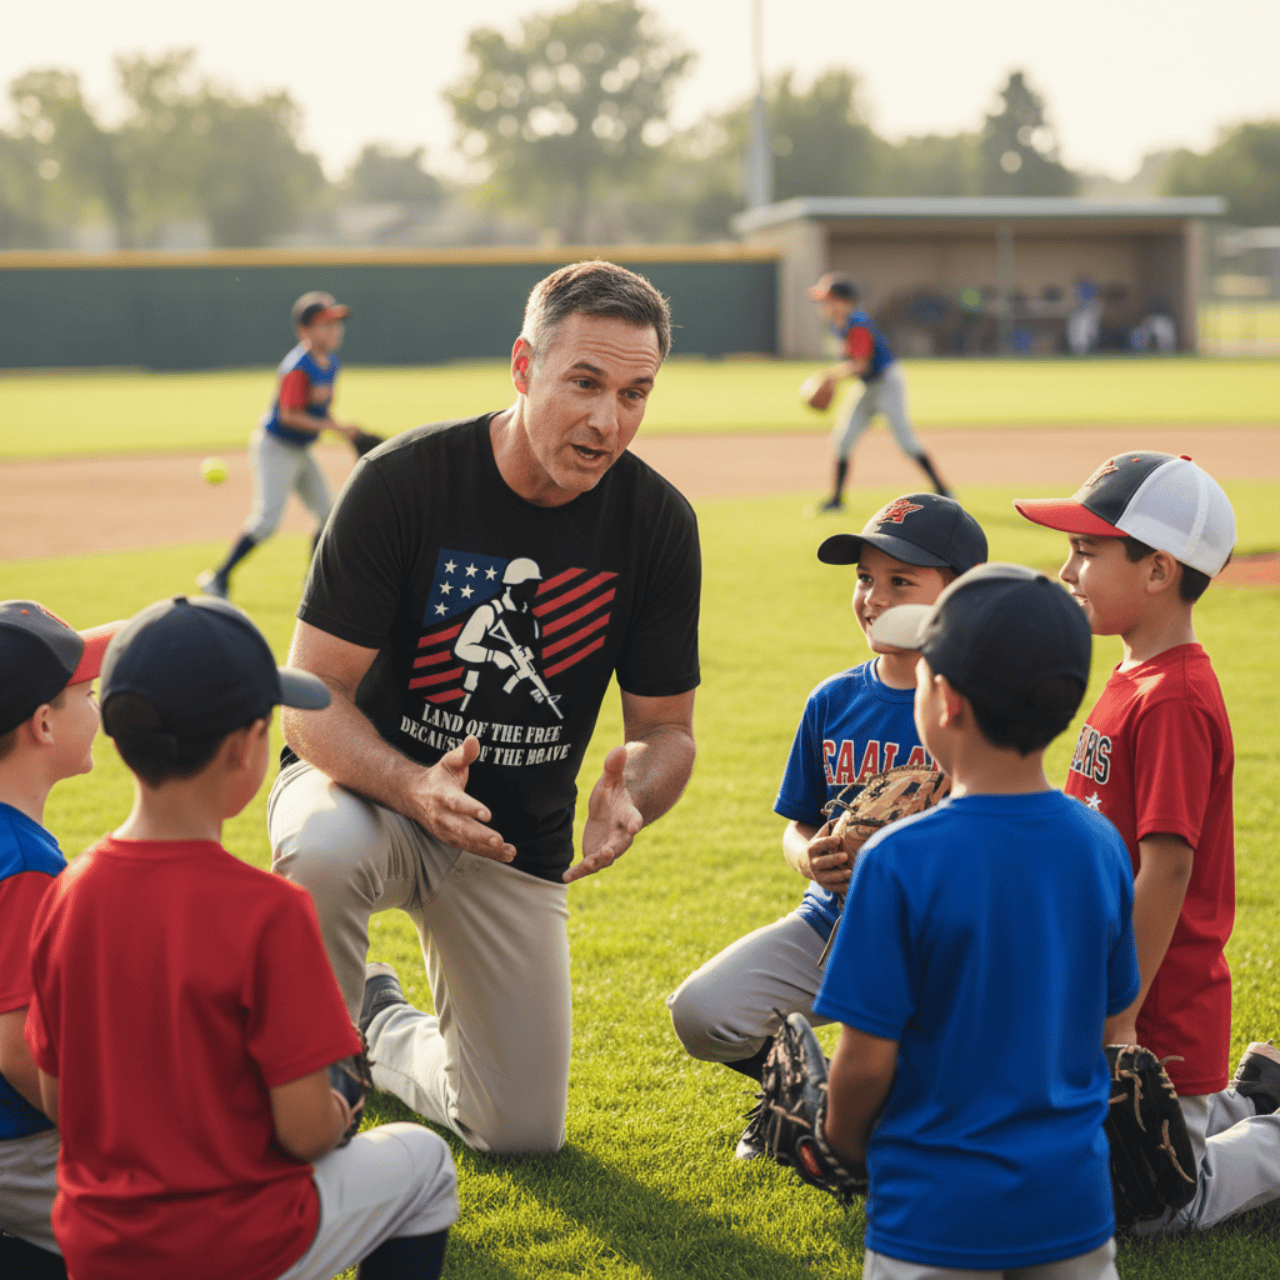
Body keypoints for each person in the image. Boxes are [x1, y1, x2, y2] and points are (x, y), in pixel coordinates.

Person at [267, 260, 701, 1155]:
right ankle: (309, 1104)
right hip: (371, 796)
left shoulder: (657, 522)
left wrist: (638, 795)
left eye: (634, 392)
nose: (606, 419)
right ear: (523, 366)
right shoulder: (402, 483)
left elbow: (665, 730)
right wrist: (410, 783)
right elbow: (309, 703)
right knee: (321, 850)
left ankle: (380, 1030)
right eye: (584, 382)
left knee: (518, 1132)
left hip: (514, 838)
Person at [23, 596, 458, 1280]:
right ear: (245, 749)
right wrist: (345, 1090)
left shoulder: (66, 894)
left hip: (99, 1246)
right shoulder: (268, 912)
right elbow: (306, 1132)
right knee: (426, 1165)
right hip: (232, 1246)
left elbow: (59, 1100)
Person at [815, 562, 1138, 1279]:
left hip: (934, 1213)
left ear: (946, 701)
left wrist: (839, 1141)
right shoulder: (1100, 844)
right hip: (1072, 1206)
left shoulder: (899, 859)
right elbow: (1115, 1021)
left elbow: (864, 1062)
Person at [667, 493, 986, 1159]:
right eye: (865, 578)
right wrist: (811, 858)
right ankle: (795, 1095)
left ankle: (881, 1112)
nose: (874, 596)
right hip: (830, 925)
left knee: (955, 1087)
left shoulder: (982, 701)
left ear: (959, 593)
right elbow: (798, 823)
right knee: (701, 1012)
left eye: (902, 581)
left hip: (944, 943)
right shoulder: (835, 699)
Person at [1017, 451, 1280, 1233]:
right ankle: (1249, 1097)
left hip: (1156, 1005)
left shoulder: (1173, 699)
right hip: (1105, 984)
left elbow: (1166, 870)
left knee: (1153, 1203)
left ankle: (1260, 1130)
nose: (1066, 570)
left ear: (1160, 570)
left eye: (1088, 552)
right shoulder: (1134, 671)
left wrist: (1121, 1012)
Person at [0, 603, 120, 1279]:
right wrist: (108, 1138)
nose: (98, 707)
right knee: (186, 1211)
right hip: (19, 1149)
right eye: (88, 695)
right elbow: (18, 1048)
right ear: (43, 725)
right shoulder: (23, 864)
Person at [198, 291, 361, 599]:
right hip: (276, 447)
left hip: (299, 449)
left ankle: (313, 585)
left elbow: (319, 411)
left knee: (328, 515)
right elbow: (289, 417)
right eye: (325, 325)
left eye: (336, 324)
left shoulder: (331, 362)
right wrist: (334, 427)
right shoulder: (297, 367)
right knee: (267, 521)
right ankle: (218, 578)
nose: (335, 330)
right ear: (305, 331)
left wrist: (342, 428)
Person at [807, 272, 952, 512]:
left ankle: (944, 491)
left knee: (906, 442)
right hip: (868, 386)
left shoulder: (858, 325)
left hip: (887, 384)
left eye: (827, 299)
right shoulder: (839, 325)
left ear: (843, 301)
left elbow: (860, 364)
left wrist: (830, 376)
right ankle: (836, 500)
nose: (822, 304)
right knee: (843, 440)